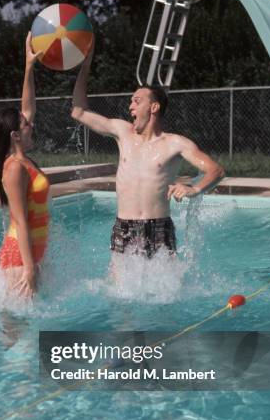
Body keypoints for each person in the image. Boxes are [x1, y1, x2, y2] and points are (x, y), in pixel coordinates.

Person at [71, 42, 225, 259]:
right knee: (119, 292)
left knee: (166, 292)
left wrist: (195, 189)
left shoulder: (175, 143)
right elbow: (78, 112)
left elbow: (216, 170)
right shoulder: (122, 132)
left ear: (154, 107)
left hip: (160, 227)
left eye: (136, 101)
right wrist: (85, 66)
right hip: (123, 227)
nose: (130, 106)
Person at [0, 33, 49, 297]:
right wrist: (28, 269)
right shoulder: (14, 168)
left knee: (23, 330)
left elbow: (28, 107)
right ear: (15, 136)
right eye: (26, 126)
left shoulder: (24, 160)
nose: (31, 125)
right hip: (19, 260)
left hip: (29, 257)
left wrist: (29, 66)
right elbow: (21, 220)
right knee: (16, 333)